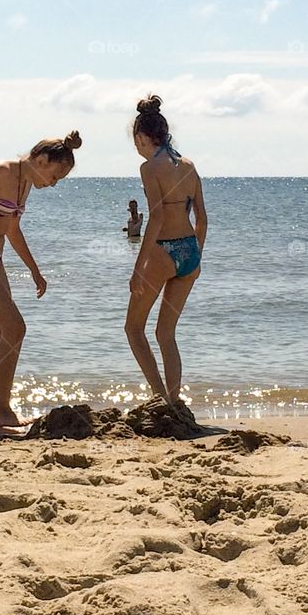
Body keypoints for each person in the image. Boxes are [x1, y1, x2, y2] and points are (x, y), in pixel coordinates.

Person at [0, 130, 83, 436]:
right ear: (41, 159)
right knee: (15, 329)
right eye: (55, 176)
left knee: (1, 340)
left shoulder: (25, 183)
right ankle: (1, 413)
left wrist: (34, 270)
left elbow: (12, 229)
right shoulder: (2, 170)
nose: (53, 183)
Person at [125, 95, 207, 406]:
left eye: (136, 140)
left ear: (142, 137)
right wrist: (197, 255)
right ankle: (174, 400)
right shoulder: (188, 165)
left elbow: (157, 217)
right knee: (166, 334)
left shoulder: (149, 167)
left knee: (133, 329)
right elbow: (201, 217)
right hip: (189, 250)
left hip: (163, 250)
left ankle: (160, 398)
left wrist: (138, 267)